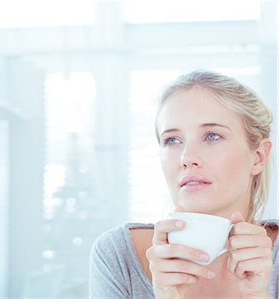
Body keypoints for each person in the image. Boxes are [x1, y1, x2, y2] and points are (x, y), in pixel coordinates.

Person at [89, 70, 278, 299]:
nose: (187, 158)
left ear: (258, 156)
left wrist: (256, 296)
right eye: (172, 140)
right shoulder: (119, 256)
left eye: (212, 136)